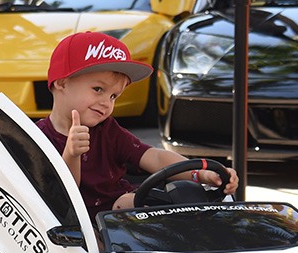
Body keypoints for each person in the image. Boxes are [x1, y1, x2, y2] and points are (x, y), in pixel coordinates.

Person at [36, 32, 238, 219]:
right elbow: (61, 197)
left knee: (180, 198)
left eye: (114, 96)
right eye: (98, 89)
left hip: (120, 218)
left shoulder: (107, 130)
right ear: (62, 83)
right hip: (79, 229)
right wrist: (72, 154)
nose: (107, 102)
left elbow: (154, 157)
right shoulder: (37, 138)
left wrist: (201, 174)